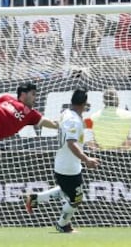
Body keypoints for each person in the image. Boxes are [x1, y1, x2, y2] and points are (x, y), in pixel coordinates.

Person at [25, 87, 99, 233]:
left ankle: (35, 199)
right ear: (84, 104)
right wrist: (87, 159)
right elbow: (71, 144)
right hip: (69, 167)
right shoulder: (73, 120)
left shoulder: (66, 113)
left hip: (63, 164)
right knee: (76, 199)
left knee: (66, 190)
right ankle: (62, 224)